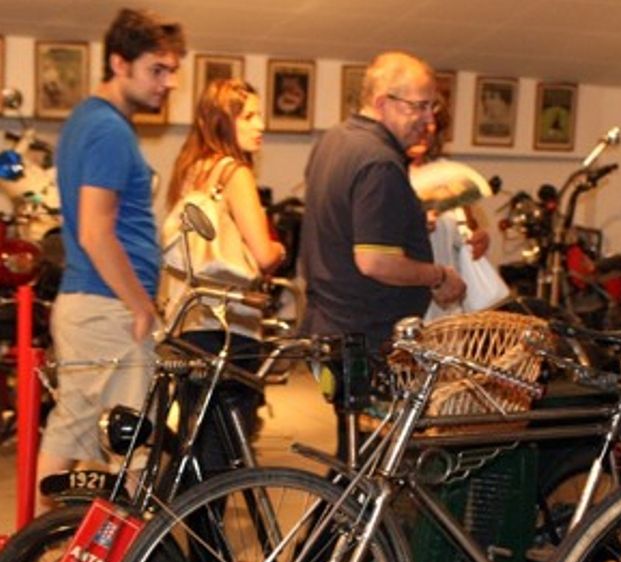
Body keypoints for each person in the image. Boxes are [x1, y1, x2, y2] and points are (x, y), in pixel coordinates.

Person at [35, 8, 186, 511]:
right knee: (135, 446)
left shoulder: (86, 120)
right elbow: (97, 232)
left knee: (75, 430)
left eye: (172, 71)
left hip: (90, 303)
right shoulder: (108, 131)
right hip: (107, 307)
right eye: (157, 70)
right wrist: (141, 305)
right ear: (120, 63)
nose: (168, 83)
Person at [300, 51, 465, 456]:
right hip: (368, 341)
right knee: (376, 469)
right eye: (419, 106)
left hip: (330, 328)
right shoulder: (380, 162)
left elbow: (348, 226)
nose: (429, 119)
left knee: (353, 461)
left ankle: (334, 521)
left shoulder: (335, 140)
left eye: (433, 106)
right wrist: (438, 276)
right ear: (381, 103)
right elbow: (374, 262)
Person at [158, 77, 285, 471]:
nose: (259, 125)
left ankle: (185, 527)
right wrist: (280, 248)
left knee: (192, 446)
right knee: (224, 454)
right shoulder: (234, 174)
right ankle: (207, 534)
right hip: (232, 328)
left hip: (189, 323)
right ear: (221, 121)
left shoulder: (190, 171)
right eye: (248, 116)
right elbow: (263, 256)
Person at [407, 103, 491, 318]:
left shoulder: (449, 176)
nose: (425, 132)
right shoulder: (386, 173)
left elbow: (469, 230)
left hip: (448, 308)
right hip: (407, 303)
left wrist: (479, 239)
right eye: (419, 125)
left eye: (431, 127)